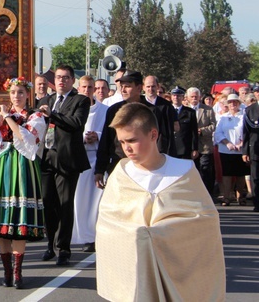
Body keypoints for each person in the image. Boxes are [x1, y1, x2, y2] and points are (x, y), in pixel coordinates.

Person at [96, 102, 225, 301]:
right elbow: (107, 224)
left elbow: (205, 221)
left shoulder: (184, 172)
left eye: (132, 140)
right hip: (135, 276)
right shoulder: (120, 174)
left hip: (178, 275)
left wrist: (160, 234)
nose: (126, 148)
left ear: (153, 135)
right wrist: (135, 235)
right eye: (121, 142)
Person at [0, 77, 47, 288]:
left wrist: (7, 116)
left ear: (27, 95)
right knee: (2, 223)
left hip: (21, 167)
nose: (17, 96)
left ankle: (17, 271)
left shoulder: (35, 116)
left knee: (18, 220)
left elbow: (25, 139)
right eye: (13, 92)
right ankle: (6, 271)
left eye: (21, 92)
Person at [37, 65, 90, 266]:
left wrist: (53, 115)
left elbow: (76, 123)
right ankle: (50, 244)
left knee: (65, 204)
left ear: (72, 81)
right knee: (47, 203)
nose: (61, 81)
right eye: (58, 77)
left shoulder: (81, 100)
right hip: (46, 158)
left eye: (66, 78)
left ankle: (64, 249)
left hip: (67, 160)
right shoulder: (45, 100)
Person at [71, 75, 107, 253]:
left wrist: (98, 135)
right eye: (84, 87)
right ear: (79, 88)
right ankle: (81, 234)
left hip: (97, 158)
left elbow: (111, 133)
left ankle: (93, 236)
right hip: (80, 157)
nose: (87, 90)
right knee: (80, 199)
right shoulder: (72, 107)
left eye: (90, 87)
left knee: (96, 201)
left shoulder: (105, 110)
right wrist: (82, 138)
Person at [214, 93, 249, 206]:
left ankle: (241, 197)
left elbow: (247, 132)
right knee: (227, 174)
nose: (232, 104)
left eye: (235, 102)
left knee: (240, 174)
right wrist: (227, 143)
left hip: (240, 150)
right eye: (230, 102)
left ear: (239, 103)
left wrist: (242, 143)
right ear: (227, 104)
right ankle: (227, 197)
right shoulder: (223, 118)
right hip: (226, 150)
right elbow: (218, 133)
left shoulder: (243, 116)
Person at [186, 87, 217, 195]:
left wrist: (202, 130)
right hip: (190, 146)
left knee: (205, 172)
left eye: (196, 96)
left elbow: (213, 126)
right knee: (191, 172)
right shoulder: (185, 109)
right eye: (192, 97)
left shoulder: (208, 109)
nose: (194, 99)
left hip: (205, 146)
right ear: (188, 98)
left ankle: (206, 195)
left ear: (200, 97)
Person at [169, 86, 198, 160]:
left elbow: (194, 131)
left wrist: (194, 148)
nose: (176, 97)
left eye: (178, 95)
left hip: (185, 148)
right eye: (174, 95)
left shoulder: (190, 112)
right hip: (170, 147)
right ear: (171, 97)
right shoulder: (167, 111)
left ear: (183, 97)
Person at [243, 94, 259, 212]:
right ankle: (257, 202)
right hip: (255, 148)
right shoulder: (250, 110)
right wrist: (245, 151)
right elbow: (246, 132)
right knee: (255, 177)